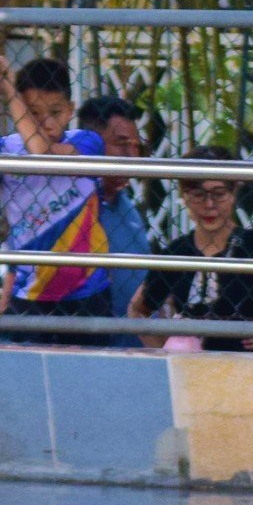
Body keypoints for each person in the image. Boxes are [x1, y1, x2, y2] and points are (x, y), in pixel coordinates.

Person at [132, 148, 253, 351]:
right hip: (194, 373)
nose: (209, 205)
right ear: (184, 196)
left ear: (234, 192)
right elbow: (137, 309)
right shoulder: (178, 252)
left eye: (219, 194)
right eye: (198, 195)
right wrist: (163, 353)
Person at [0, 55, 116, 346]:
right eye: (33, 113)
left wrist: (10, 91)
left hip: (87, 289)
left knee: (87, 377)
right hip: (30, 292)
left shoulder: (86, 141)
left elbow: (42, 153)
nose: (47, 123)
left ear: (70, 110)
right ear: (19, 110)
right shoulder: (3, 149)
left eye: (56, 112)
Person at [80, 96, 151, 341]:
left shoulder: (127, 208)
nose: (132, 156)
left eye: (136, 146)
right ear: (90, 144)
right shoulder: (72, 207)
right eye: (121, 144)